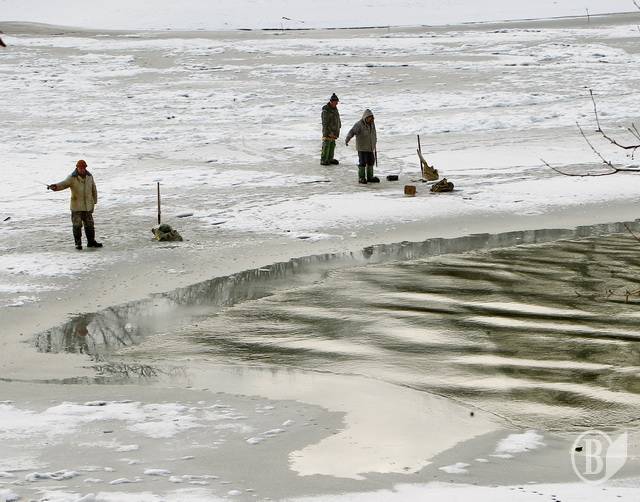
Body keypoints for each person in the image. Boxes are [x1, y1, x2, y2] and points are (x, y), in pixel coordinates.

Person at [48, 159, 103, 250]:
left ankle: (91, 242)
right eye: (80, 168)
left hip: (88, 206)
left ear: (85, 168)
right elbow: (63, 184)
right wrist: (55, 187)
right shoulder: (72, 177)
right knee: (77, 226)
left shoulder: (90, 176)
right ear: (77, 168)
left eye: (83, 168)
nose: (82, 169)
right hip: (76, 207)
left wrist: (94, 201)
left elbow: (94, 189)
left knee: (90, 226)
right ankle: (78, 244)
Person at [345, 109, 379, 184]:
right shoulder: (359, 124)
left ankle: (370, 177)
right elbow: (352, 131)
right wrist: (347, 139)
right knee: (362, 162)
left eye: (371, 118)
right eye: (369, 118)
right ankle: (361, 177)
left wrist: (375, 140)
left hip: (370, 147)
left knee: (371, 162)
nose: (371, 119)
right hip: (362, 147)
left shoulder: (372, 124)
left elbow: (374, 133)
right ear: (365, 117)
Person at [320, 93, 341, 166]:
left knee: (332, 145)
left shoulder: (335, 109)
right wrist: (329, 132)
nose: (337, 103)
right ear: (331, 101)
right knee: (326, 145)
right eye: (336, 102)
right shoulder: (326, 110)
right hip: (328, 132)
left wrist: (339, 126)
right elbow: (325, 123)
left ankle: (330, 158)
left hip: (334, 131)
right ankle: (323, 159)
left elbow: (337, 119)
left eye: (337, 102)